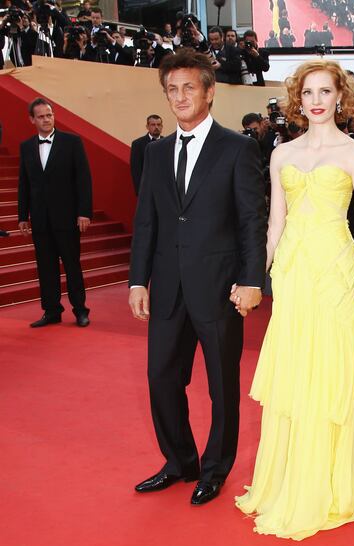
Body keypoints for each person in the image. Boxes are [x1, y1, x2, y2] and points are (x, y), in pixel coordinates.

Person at [234, 59, 354, 539]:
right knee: (297, 377)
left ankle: (333, 483)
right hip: (295, 278)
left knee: (333, 376)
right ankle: (290, 481)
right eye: (308, 92)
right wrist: (253, 276)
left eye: (326, 91)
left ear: (340, 97)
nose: (317, 100)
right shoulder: (281, 153)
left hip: (338, 275)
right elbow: (274, 224)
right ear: (297, 100)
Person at [128, 50, 266, 505]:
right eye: (172, 89)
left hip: (219, 287)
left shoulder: (238, 148)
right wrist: (136, 280)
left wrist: (252, 280)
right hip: (167, 287)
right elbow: (146, 220)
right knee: (161, 378)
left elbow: (251, 221)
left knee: (221, 385)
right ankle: (179, 461)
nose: (180, 96)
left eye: (189, 87)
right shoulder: (155, 152)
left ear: (209, 91)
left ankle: (215, 468)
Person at [18, 97, 92, 328]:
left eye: (49, 115)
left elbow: (83, 179)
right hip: (40, 220)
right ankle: (51, 311)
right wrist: (22, 216)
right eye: (41, 116)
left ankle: (80, 310)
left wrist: (84, 212)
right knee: (46, 268)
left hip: (67, 218)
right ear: (32, 120)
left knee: (72, 266)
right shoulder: (26, 146)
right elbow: (24, 183)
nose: (46, 119)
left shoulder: (72, 142)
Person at [129, 114, 163, 195]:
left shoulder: (168, 143)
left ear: (162, 126)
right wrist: (140, 191)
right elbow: (136, 170)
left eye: (158, 125)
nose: (156, 127)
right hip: (146, 189)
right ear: (147, 127)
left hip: (164, 188)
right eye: (153, 125)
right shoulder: (138, 144)